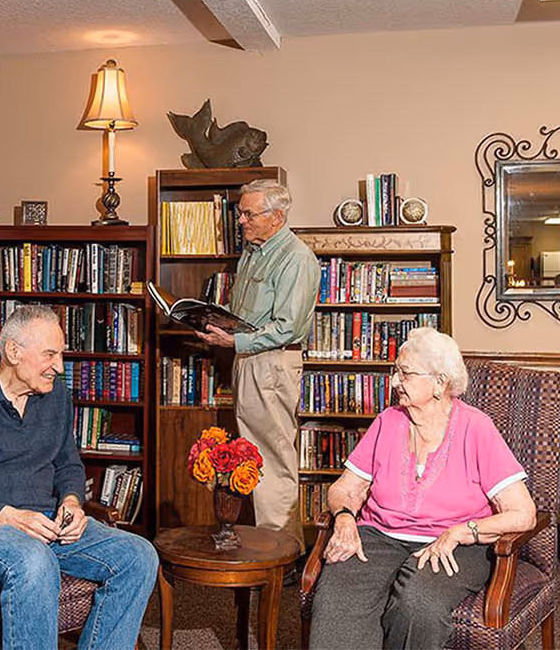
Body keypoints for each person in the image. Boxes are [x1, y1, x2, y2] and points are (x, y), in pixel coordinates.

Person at [0, 305, 158, 649]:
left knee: (139, 556)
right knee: (34, 559)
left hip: (47, 523)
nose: (59, 366)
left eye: (60, 354)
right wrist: (7, 515)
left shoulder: (56, 395)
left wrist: (72, 501)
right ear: (13, 352)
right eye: (49, 354)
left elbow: (68, 463)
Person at [309, 327, 538, 650]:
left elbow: (523, 514)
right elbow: (346, 488)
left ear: (440, 383)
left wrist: (461, 532)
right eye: (395, 371)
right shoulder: (387, 422)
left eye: (405, 373)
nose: (394, 381)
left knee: (418, 603)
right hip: (380, 535)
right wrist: (345, 517)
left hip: (456, 546)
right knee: (337, 598)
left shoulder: (477, 428)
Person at [197, 179, 320, 551]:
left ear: (277, 216)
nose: (241, 220)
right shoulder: (254, 251)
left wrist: (235, 340)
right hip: (248, 360)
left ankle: (282, 552)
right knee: (252, 454)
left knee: (273, 458)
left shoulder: (296, 258)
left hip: (271, 363)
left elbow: (288, 326)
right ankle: (265, 545)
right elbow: (248, 313)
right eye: (241, 212)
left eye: (249, 213)